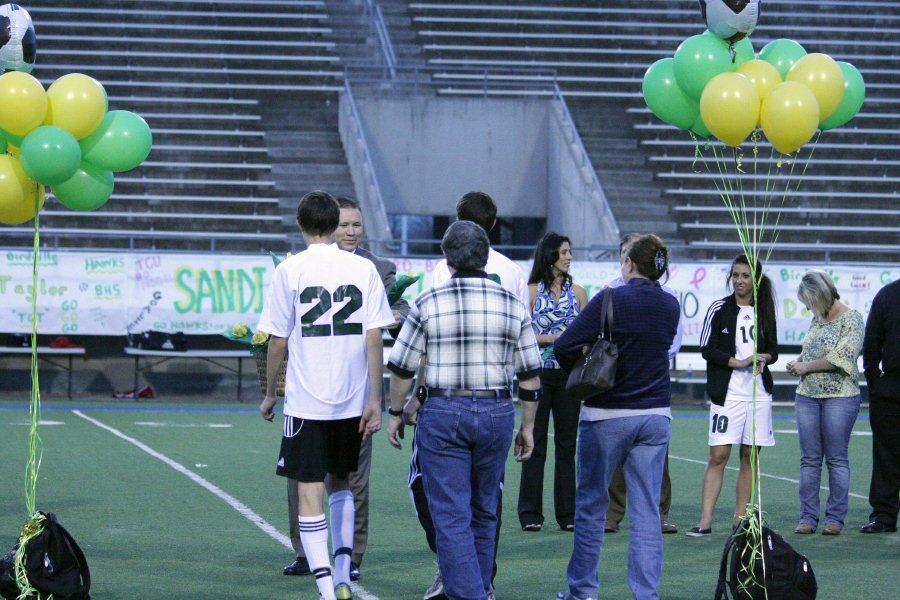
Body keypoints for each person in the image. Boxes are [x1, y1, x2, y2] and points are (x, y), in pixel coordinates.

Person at [386, 220, 543, 600]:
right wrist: (528, 427)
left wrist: (395, 413)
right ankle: (482, 589)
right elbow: (530, 373)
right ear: (486, 256)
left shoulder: (428, 301)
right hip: (496, 409)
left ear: (446, 257)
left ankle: (470, 594)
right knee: (485, 509)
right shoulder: (511, 303)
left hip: (443, 409)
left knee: (451, 515)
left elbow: (403, 368)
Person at [257, 191, 395, 600]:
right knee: (342, 486)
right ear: (335, 223)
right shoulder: (362, 268)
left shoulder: (289, 270)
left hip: (307, 400)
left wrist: (269, 394)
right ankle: (342, 571)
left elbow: (277, 341)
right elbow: (375, 337)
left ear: (300, 225)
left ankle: (324, 586)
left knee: (308, 489)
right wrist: (375, 397)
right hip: (352, 399)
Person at [283, 196, 410, 580]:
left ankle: (350, 555)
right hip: (310, 387)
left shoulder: (379, 268)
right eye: (344, 225)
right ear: (330, 225)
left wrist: (395, 315)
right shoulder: (299, 265)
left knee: (354, 478)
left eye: (357, 225)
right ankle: (307, 552)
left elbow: (401, 315)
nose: (352, 232)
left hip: (356, 388)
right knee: (303, 477)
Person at [554, 234, 679, 600]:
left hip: (606, 413)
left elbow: (563, 345)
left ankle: (584, 591)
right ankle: (645, 594)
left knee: (592, 506)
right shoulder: (670, 305)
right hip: (655, 413)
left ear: (628, 263)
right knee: (646, 511)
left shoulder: (611, 297)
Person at [687, 254, 778, 537]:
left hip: (758, 394)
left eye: (745, 276)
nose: (739, 280)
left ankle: (740, 520)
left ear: (755, 280)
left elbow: (773, 349)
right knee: (718, 455)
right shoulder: (719, 308)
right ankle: (705, 521)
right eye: (735, 275)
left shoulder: (765, 309)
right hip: (727, 394)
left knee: (750, 456)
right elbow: (707, 348)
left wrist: (764, 356)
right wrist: (737, 362)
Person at [603, 233, 683, 536]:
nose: (627, 260)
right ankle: (612, 512)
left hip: (651, 379)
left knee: (658, 455)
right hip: (617, 380)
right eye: (624, 252)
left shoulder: (669, 296)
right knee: (616, 453)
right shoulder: (609, 291)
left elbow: (674, 342)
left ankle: (659, 512)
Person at [517, 232, 587, 533]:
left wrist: (578, 345)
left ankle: (568, 513)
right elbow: (521, 334)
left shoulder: (579, 293)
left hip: (569, 376)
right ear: (549, 256)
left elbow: (587, 332)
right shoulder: (531, 291)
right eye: (563, 252)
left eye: (570, 251)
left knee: (567, 445)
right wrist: (553, 338)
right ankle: (530, 512)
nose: (569, 257)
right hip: (538, 375)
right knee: (536, 443)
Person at [785, 270, 864, 535]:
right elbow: (811, 351)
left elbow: (841, 357)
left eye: (809, 301)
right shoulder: (817, 319)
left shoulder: (852, 319)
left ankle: (834, 519)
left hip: (840, 396)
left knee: (837, 460)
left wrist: (805, 366)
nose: (808, 307)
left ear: (821, 295)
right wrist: (798, 362)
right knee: (809, 460)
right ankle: (807, 518)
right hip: (807, 395)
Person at [860, 278, 900, 534]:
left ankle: (884, 515)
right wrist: (875, 383)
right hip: (891, 388)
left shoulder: (887, 294)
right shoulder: (887, 295)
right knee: (886, 456)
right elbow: (871, 341)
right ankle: (884, 517)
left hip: (888, 387)